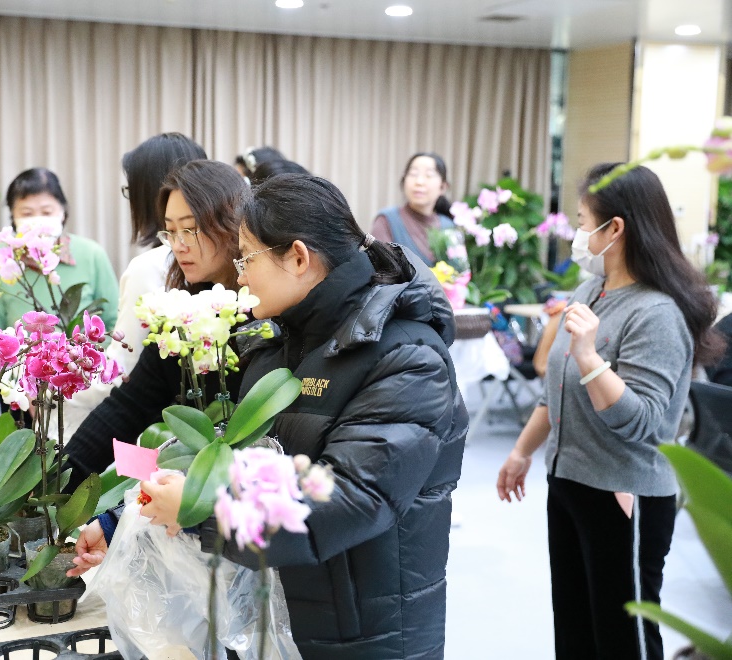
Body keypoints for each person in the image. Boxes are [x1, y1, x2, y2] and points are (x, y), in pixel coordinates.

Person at [74, 174, 468, 658]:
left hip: (366, 635)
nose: (239, 276)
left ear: (298, 257)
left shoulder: (406, 357)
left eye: (247, 259)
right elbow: (230, 459)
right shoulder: (279, 344)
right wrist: (130, 514)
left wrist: (202, 512)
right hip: (279, 621)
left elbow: (350, 499)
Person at [496, 163, 724, 660]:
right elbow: (554, 389)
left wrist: (589, 357)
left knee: (624, 639)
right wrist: (522, 452)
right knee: (574, 629)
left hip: (624, 495)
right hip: (569, 483)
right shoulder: (590, 291)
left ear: (613, 228)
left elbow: (642, 422)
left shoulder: (657, 312)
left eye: (582, 222)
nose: (577, 235)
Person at [60, 160, 248, 492]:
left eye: (190, 229)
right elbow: (128, 406)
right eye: (170, 231)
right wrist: (55, 483)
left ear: (230, 224)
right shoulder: (183, 313)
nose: (178, 244)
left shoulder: (262, 312)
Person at [60, 133, 207, 435]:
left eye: (131, 191)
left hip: (158, 428)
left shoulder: (149, 267)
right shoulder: (218, 260)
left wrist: (55, 388)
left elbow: (121, 371)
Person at [0, 167, 119, 330]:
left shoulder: (92, 255)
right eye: (27, 213)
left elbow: (115, 323)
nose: (38, 222)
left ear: (62, 212)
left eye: (47, 212)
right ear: (13, 216)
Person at [371, 152, 455, 266]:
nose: (419, 182)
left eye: (429, 175)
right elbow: (380, 268)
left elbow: (459, 271)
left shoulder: (448, 226)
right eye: (413, 174)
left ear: (443, 187)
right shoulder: (387, 220)